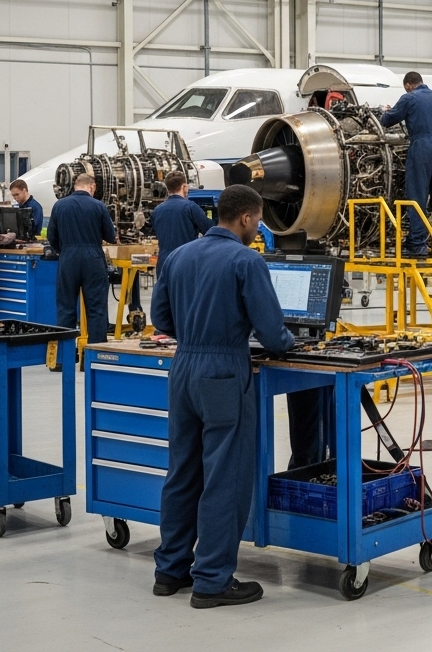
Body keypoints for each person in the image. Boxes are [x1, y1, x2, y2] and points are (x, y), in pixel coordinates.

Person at [151, 185, 294, 609]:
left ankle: (170, 570)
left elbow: (160, 317)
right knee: (224, 477)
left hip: (183, 370)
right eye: (258, 222)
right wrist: (288, 343)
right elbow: (270, 331)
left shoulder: (178, 256)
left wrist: (195, 337)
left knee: (183, 471)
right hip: (223, 372)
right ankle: (212, 579)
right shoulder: (245, 260)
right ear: (247, 218)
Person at [380, 71, 432, 258]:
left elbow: (388, 121)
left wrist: (384, 112)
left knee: (417, 197)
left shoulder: (409, 98)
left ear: (408, 85)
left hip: (422, 146)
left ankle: (417, 245)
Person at [48, 172, 116, 344]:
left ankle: (64, 358)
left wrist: (63, 251)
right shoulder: (98, 206)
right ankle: (95, 358)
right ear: (92, 187)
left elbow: (51, 236)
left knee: (66, 308)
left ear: (75, 186)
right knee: (96, 309)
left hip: (68, 257)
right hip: (92, 258)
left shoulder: (59, 206)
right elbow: (110, 236)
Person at [151, 171, 212, 260]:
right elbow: (209, 230)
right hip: (184, 261)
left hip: (164, 263)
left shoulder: (157, 210)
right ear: (184, 187)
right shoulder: (190, 207)